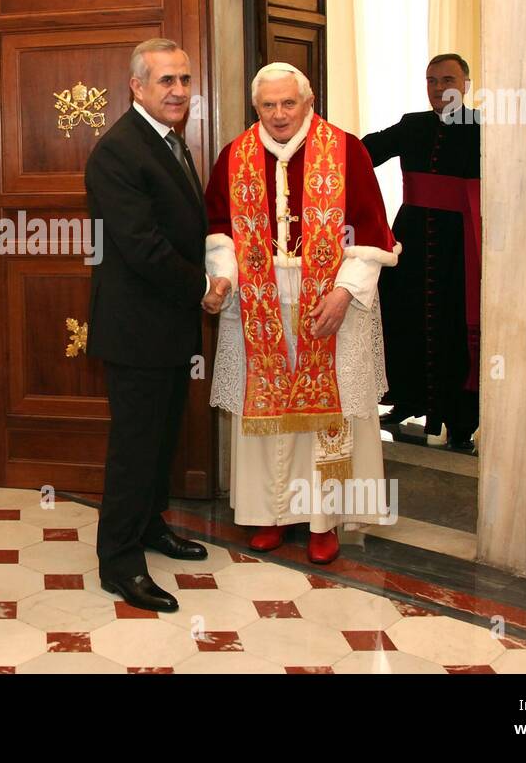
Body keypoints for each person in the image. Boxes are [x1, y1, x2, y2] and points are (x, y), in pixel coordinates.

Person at [204, 63, 399, 565]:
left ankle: (324, 520)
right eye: (268, 105)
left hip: (332, 297)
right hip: (258, 300)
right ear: (256, 108)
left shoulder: (346, 149)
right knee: (266, 409)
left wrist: (343, 294)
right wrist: (222, 278)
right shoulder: (235, 155)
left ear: (308, 103)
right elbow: (220, 227)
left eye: (288, 104)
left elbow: (372, 230)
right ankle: (271, 513)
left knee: (328, 413)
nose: (278, 114)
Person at [84, 38, 230, 613]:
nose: (177, 91)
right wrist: (203, 287)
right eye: (165, 81)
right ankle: (119, 560)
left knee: (163, 438)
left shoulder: (171, 142)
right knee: (134, 446)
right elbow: (143, 247)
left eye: (184, 80)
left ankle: (149, 526)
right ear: (136, 87)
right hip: (136, 327)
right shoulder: (117, 151)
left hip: (169, 325)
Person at [363, 54, 481, 453]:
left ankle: (459, 420)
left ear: (466, 83)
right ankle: (406, 399)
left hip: (461, 242)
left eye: (447, 78)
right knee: (403, 316)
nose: (437, 87)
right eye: (430, 80)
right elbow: (363, 153)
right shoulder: (413, 124)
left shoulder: (483, 128)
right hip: (411, 237)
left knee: (454, 327)